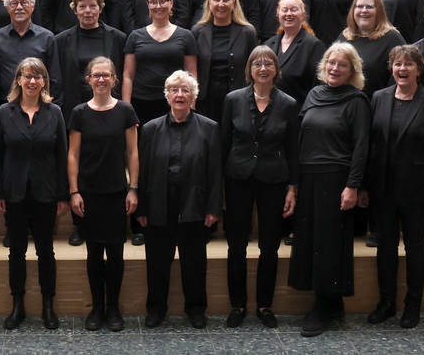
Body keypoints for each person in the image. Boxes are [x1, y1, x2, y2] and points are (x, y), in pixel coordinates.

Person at [289, 42, 371, 337]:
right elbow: (301, 138)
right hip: (309, 177)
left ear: (352, 71)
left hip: (336, 180)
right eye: (331, 63)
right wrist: (295, 182)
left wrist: (353, 185)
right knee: (312, 240)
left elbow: (362, 146)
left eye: (342, 64)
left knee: (328, 243)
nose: (335, 68)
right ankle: (333, 303)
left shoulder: (357, 100)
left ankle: (322, 306)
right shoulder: (314, 94)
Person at [362, 45, 424, 329]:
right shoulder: (378, 97)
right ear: (391, 68)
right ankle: (386, 303)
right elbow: (371, 146)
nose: (402, 69)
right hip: (383, 189)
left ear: (419, 70)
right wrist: (364, 187)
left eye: (409, 64)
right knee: (385, 248)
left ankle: (413, 305)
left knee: (415, 248)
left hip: (417, 192)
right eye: (398, 64)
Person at [220, 46, 299, 329]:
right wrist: (220, 187)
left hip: (274, 180)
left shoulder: (288, 103)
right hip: (237, 178)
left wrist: (293, 187)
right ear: (249, 69)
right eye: (257, 63)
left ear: (276, 69)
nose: (263, 68)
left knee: (269, 246)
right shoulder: (233, 99)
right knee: (236, 245)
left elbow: (293, 148)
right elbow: (223, 143)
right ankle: (237, 304)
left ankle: (265, 305)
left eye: (269, 63)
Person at [136, 71, 222, 329]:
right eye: (174, 90)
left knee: (194, 261)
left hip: (194, 203)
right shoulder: (150, 129)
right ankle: (156, 309)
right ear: (167, 96)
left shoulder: (209, 128)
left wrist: (213, 208)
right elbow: (143, 171)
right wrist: (141, 208)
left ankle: (196, 309)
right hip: (158, 203)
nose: (180, 94)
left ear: (193, 96)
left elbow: (215, 171)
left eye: (185, 90)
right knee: (157, 262)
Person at [0, 58, 68, 330]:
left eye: (37, 76)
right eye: (27, 76)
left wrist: (63, 195)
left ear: (44, 81)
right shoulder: (4, 112)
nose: (32, 81)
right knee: (16, 252)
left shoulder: (55, 112)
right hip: (14, 193)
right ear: (19, 80)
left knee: (46, 251)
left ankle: (48, 306)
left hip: (46, 193)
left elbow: (62, 156)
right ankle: (18, 306)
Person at [67, 57, 139, 331]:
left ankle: (114, 308)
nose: (101, 79)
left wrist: (133, 188)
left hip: (117, 191)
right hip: (88, 193)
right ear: (88, 79)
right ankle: (97, 307)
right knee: (94, 253)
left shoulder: (125, 110)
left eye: (106, 75)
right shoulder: (79, 112)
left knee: (116, 253)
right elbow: (73, 155)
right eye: (96, 75)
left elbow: (132, 152)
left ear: (114, 79)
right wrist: (74, 191)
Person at [123, 0, 198, 125]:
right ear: (148, 5)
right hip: (141, 103)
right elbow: (128, 75)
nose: (158, 6)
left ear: (171, 3)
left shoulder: (186, 36)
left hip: (176, 102)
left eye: (163, 1)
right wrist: (127, 109)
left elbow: (192, 73)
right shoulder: (135, 36)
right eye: (153, 2)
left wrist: (191, 105)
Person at [0, 0, 64, 116]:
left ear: (33, 6)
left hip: (41, 111)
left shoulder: (47, 38)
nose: (19, 7)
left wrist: (53, 113)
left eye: (24, 2)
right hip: (6, 111)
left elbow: (55, 80)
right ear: (7, 7)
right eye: (14, 3)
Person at [56, 0, 127, 122]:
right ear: (75, 10)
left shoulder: (119, 38)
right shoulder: (60, 40)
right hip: (74, 110)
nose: (87, 11)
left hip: (110, 109)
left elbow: (124, 76)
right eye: (82, 6)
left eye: (93, 6)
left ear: (100, 9)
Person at [192, 0, 257, 120]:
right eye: (216, 0)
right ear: (209, 4)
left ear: (234, 3)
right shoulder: (197, 31)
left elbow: (253, 68)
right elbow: (192, 68)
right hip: (205, 99)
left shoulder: (247, 32)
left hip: (238, 97)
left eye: (226, 0)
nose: (221, 4)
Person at [336, 0, 407, 97]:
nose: (364, 10)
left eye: (369, 7)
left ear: (379, 11)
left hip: (376, 103)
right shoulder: (344, 37)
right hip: (344, 101)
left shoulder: (392, 38)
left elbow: (402, 75)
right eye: (359, 6)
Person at [263, 0, 326, 105]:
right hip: (270, 109)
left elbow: (319, 85)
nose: (288, 14)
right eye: (284, 10)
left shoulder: (313, 45)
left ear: (302, 15)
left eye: (293, 10)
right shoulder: (268, 45)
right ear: (278, 14)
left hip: (299, 110)